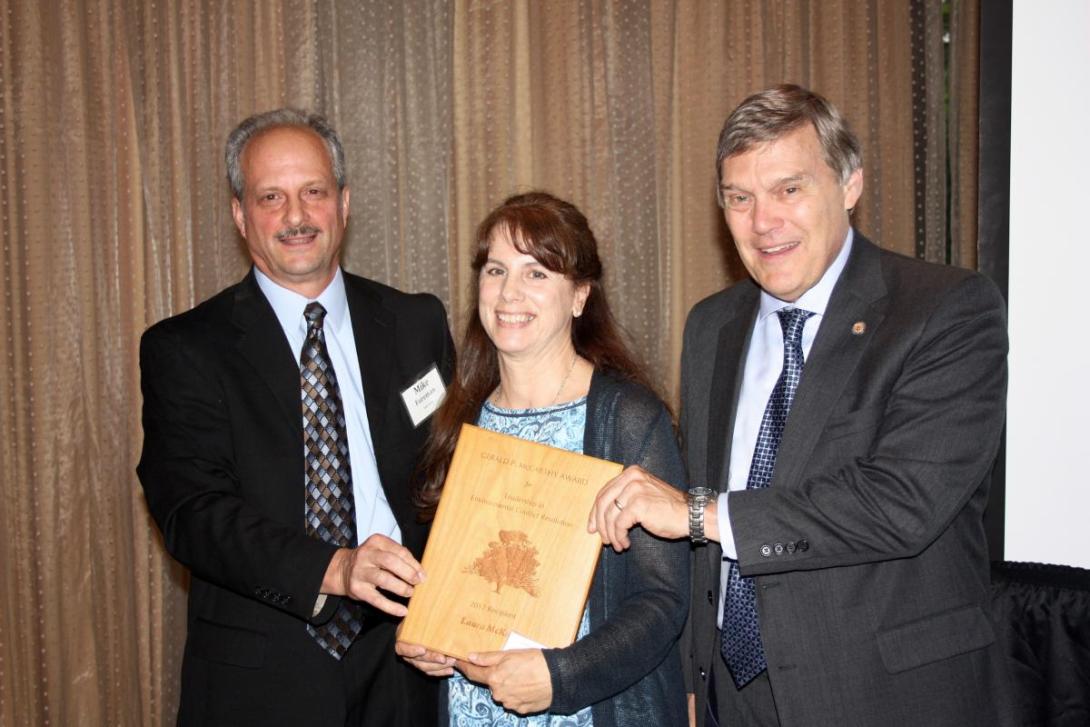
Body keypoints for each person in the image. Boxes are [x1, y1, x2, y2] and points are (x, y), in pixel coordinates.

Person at [589, 85, 1014, 727]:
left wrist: (697, 513)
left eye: (789, 189)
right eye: (740, 198)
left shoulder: (946, 309)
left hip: (885, 694)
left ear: (850, 185)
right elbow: (704, 532)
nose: (763, 222)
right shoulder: (711, 325)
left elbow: (901, 502)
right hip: (733, 697)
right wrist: (691, 674)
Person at [137, 108, 454, 726]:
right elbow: (192, 513)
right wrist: (335, 568)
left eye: (314, 192)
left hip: (408, 663)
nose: (296, 216)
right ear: (239, 215)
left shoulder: (417, 322)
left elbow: (453, 471)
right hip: (263, 674)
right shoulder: (185, 348)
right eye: (271, 197)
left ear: (344, 203)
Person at [396, 191, 689, 726]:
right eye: (496, 270)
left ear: (580, 296)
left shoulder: (626, 418)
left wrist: (561, 676)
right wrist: (422, 629)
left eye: (536, 273)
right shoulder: (459, 420)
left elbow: (662, 600)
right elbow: (442, 570)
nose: (509, 292)